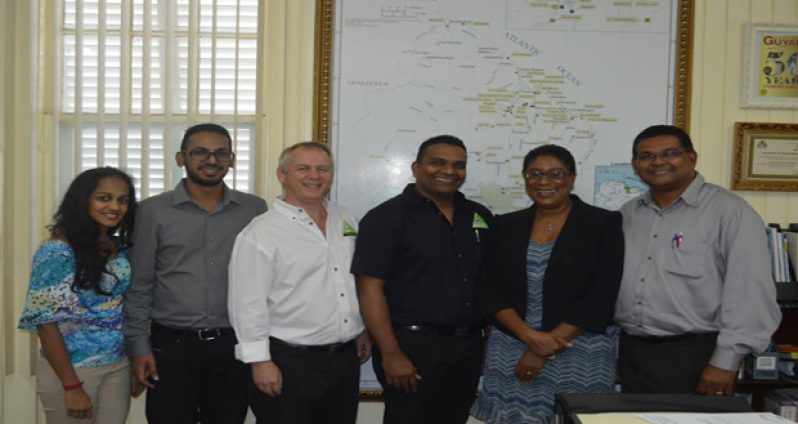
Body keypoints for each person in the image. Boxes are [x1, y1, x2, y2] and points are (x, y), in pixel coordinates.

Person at [615, 125, 782, 395]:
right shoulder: (630, 214)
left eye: (669, 153)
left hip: (697, 354)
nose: (657, 162)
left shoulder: (729, 212)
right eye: (646, 156)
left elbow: (751, 292)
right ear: (635, 165)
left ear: (692, 158)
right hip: (634, 354)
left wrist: (725, 362)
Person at [123, 123, 267, 423]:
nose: (211, 160)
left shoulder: (254, 209)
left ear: (231, 159)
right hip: (170, 347)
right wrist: (139, 348)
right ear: (181, 158)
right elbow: (140, 285)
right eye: (200, 152)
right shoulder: (151, 211)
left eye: (220, 153)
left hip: (233, 346)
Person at [470, 145, 624, 424]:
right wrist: (530, 339)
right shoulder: (505, 225)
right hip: (512, 348)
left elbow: (602, 293)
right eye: (535, 174)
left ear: (572, 177)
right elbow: (488, 288)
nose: (544, 182)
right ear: (525, 178)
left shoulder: (603, 223)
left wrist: (546, 347)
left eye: (556, 173)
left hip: (580, 350)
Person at [352, 134, 493, 424]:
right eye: (438, 163)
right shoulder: (385, 218)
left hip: (467, 346)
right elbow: (369, 289)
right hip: (410, 346)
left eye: (458, 165)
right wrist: (391, 353)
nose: (449, 171)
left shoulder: (478, 215)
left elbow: (488, 283)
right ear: (416, 168)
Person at [228, 141, 370, 424]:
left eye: (323, 169)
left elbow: (350, 280)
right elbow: (246, 303)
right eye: (303, 168)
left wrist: (360, 329)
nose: (314, 176)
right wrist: (260, 361)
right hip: (288, 361)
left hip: (343, 359)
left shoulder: (345, 218)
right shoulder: (260, 233)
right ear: (282, 175)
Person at [18, 167, 137, 423]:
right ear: (83, 201)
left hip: (117, 366)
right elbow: (46, 323)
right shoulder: (57, 251)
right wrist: (71, 387)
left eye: (123, 199)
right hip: (73, 371)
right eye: (104, 198)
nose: (115, 206)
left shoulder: (120, 247)